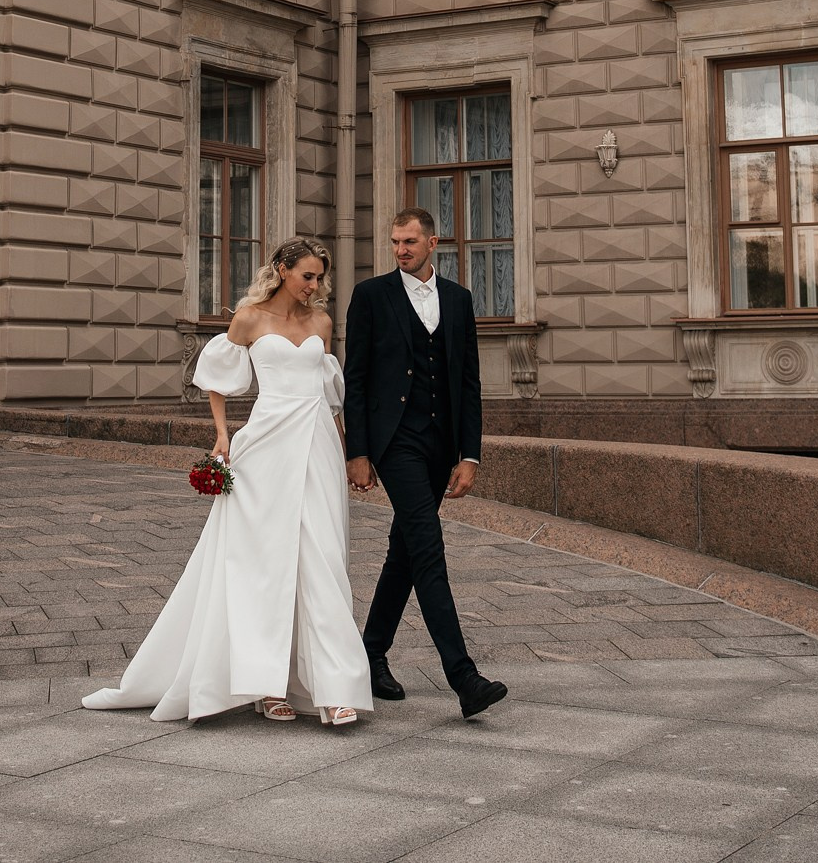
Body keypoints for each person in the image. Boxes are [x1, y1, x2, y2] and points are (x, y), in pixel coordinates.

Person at [82, 237, 372, 725]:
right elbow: (215, 375)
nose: (314, 285)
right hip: (265, 446)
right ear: (282, 270)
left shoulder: (321, 323)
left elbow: (332, 397)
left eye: (320, 277)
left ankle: (335, 689)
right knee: (261, 564)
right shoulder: (250, 318)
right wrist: (222, 435)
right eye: (307, 275)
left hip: (318, 443)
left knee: (322, 560)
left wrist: (349, 455)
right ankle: (266, 686)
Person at [343, 208, 509, 719]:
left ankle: (369, 654)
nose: (401, 250)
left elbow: (469, 382)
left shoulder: (459, 300)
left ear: (432, 242)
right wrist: (358, 452)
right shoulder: (371, 296)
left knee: (406, 552)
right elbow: (358, 378)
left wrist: (470, 454)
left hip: (442, 445)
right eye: (394, 242)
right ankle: (463, 677)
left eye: (410, 241)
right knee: (428, 547)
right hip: (396, 443)